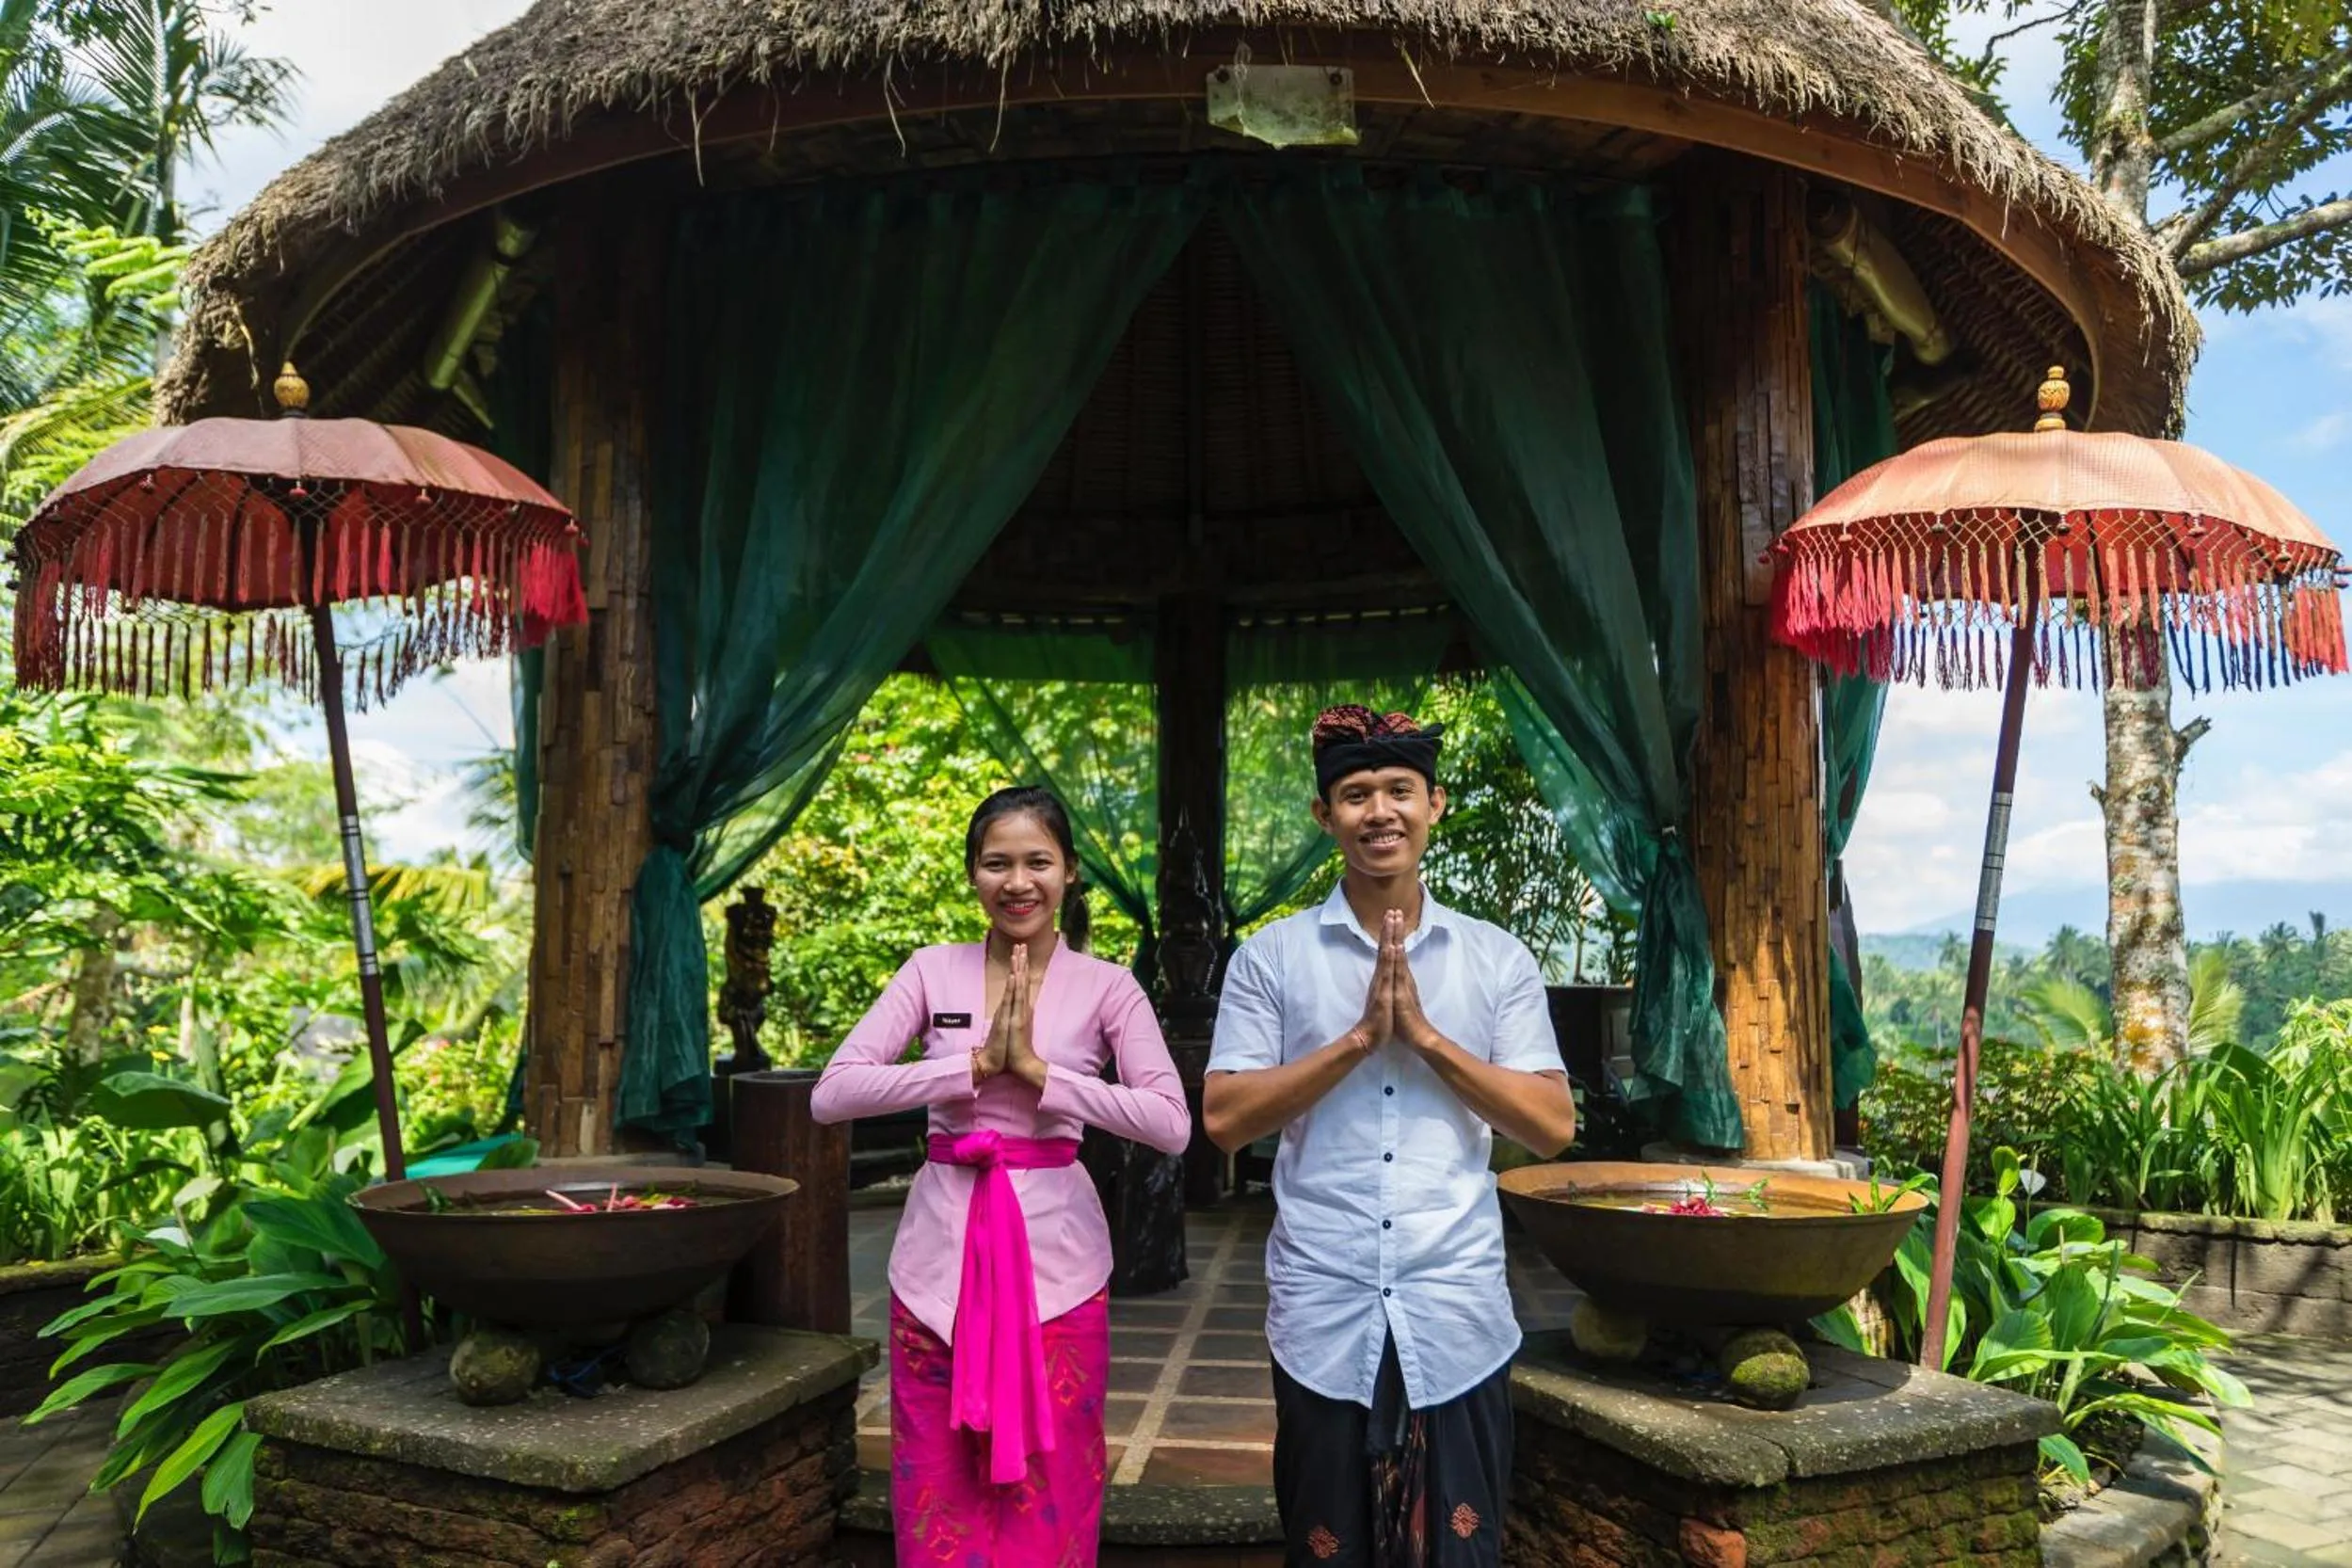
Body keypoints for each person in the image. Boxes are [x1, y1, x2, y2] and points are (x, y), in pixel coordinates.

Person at [1204, 705, 1578, 1568]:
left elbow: (1552, 1127)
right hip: (1323, 1304)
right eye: (1355, 793)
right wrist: (1359, 1041)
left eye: (1399, 791)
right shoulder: (1271, 959)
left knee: (1459, 1551)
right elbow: (1222, 1122)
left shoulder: (1495, 959)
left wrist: (1428, 1039)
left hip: (1455, 1305)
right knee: (1327, 1547)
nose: (1380, 812)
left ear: (1434, 804)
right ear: (1323, 816)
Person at [811, 785, 1190, 1567]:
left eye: (1037, 862)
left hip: (1059, 1265)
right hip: (936, 1265)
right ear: (972, 876)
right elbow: (833, 1093)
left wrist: (1042, 1075)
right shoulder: (929, 971)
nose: (1017, 882)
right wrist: (971, 1068)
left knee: (1053, 1478)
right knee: (937, 1478)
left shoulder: (1108, 987)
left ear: (1070, 873)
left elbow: (1170, 1122)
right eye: (996, 864)